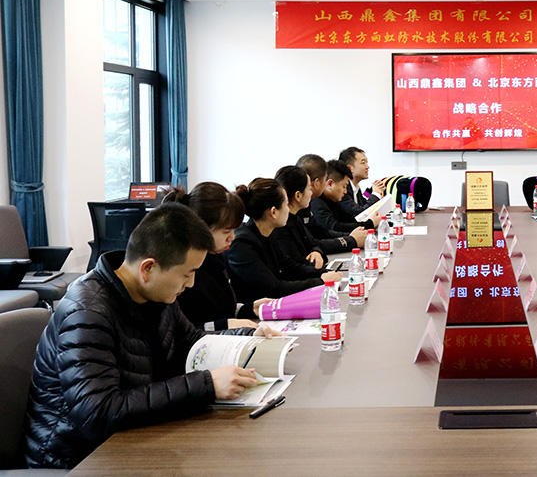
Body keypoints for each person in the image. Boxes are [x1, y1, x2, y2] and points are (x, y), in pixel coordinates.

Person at [24, 204, 263, 469]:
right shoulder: (88, 312)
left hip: (131, 437)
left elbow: (191, 341)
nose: (191, 284)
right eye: (187, 273)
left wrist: (250, 335)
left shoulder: (156, 294)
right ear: (148, 268)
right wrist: (206, 385)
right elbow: (97, 414)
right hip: (75, 458)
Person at [164, 182, 272, 331]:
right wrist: (221, 325)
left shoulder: (215, 258)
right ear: (201, 229)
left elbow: (220, 310)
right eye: (226, 232)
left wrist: (248, 309)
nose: (232, 237)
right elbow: (184, 331)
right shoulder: (182, 268)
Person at [225, 178, 340, 307]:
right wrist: (320, 281)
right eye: (286, 204)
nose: (288, 209)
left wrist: (323, 273)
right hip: (256, 311)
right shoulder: (241, 244)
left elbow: (289, 266)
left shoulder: (266, 231)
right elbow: (273, 288)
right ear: (273, 212)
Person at [273, 165, 363, 267]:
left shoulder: (296, 216)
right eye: (308, 189)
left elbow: (312, 242)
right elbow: (294, 264)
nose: (311, 193)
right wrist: (351, 239)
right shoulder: (281, 225)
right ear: (298, 195)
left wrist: (316, 251)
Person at [311, 158, 378, 235]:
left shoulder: (334, 199)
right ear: (330, 184)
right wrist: (369, 224)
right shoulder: (316, 201)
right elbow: (334, 227)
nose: (345, 191)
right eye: (344, 186)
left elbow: (348, 219)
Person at [339, 146, 384, 214]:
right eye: (363, 163)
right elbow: (360, 214)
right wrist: (376, 194)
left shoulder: (355, 187)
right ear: (350, 168)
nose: (367, 167)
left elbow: (364, 206)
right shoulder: (343, 189)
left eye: (366, 162)